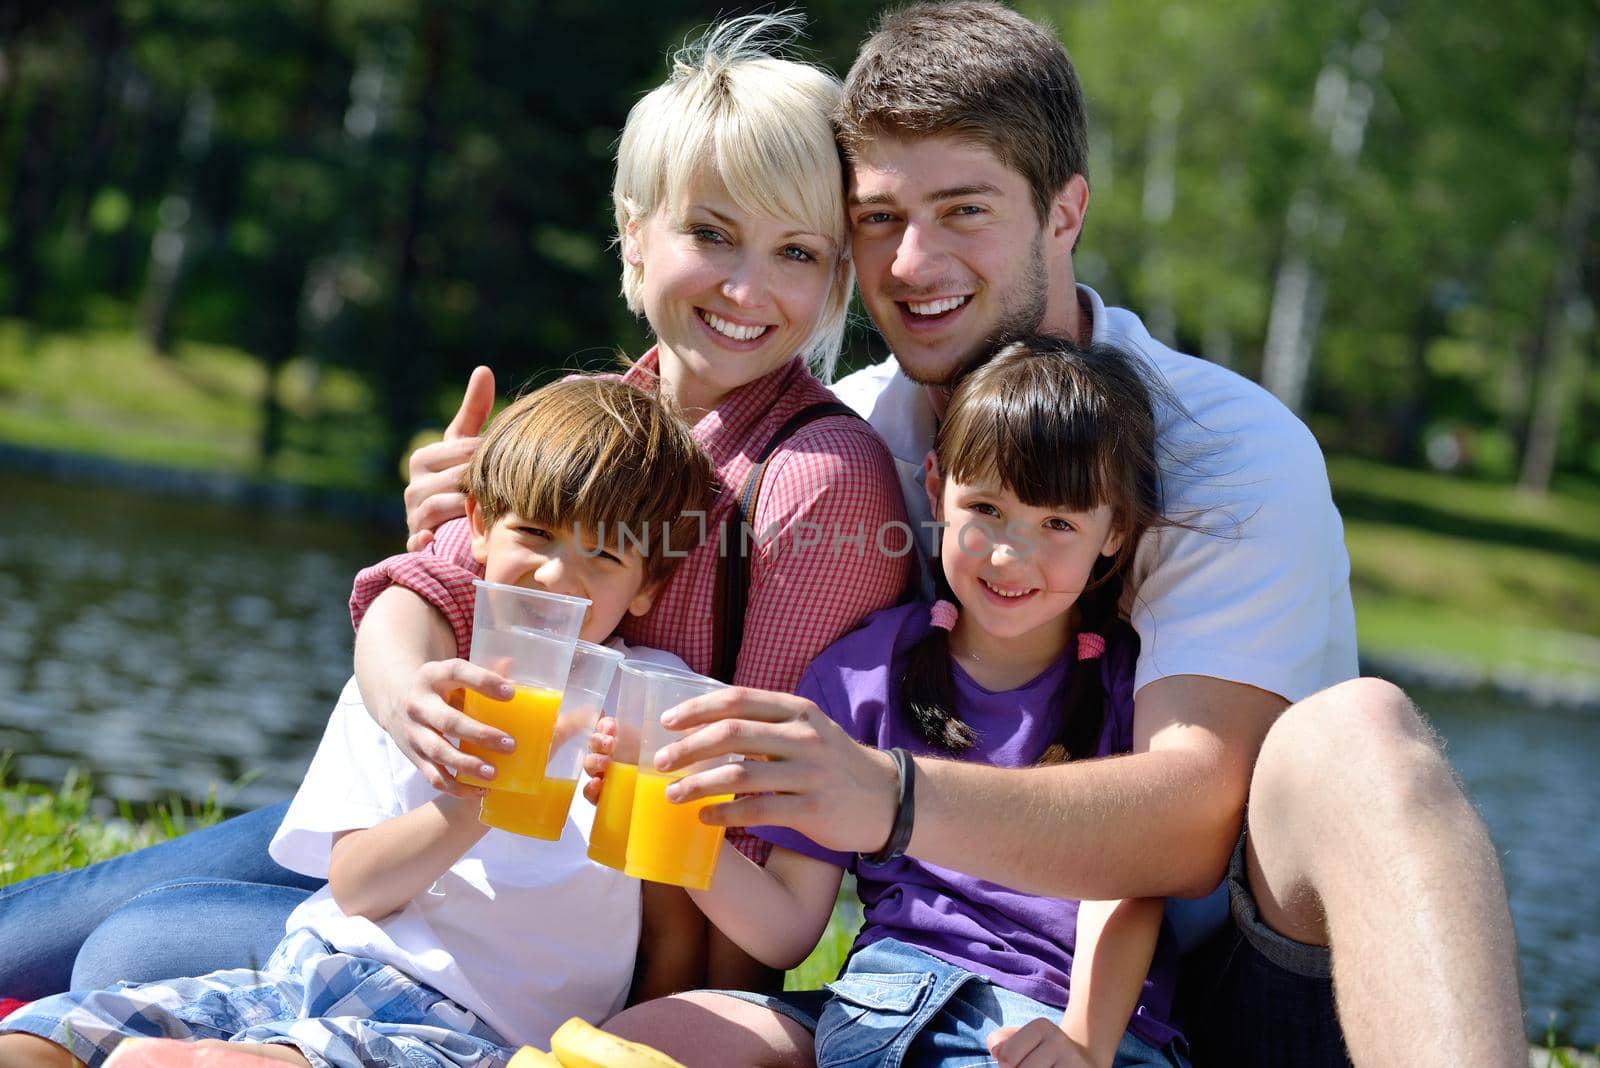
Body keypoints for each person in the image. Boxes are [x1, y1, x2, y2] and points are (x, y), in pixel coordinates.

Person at [596, 4, 1524, 1067]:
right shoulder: (850, 441)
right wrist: (485, 520)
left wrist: (890, 797)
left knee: (1360, 736)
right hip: (919, 985)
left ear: (1064, 211)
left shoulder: (1228, 445)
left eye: (963, 210)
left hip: (1218, 994)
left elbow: (1187, 822)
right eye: (881, 217)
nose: (912, 262)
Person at [0, 13, 911, 1001]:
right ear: (635, 229)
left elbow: (761, 825)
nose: (748, 286)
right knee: (39, 932)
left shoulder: (819, 478)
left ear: (834, 279)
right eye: (711, 233)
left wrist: (667, 1034)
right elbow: (425, 585)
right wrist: (410, 697)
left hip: (556, 936)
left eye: (797, 253)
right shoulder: (596, 414)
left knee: (132, 950)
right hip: (440, 830)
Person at [0, 375, 714, 1067]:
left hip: (474, 1033)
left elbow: (672, 933)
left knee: (266, 1057)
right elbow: (358, 888)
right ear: (479, 530)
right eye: (535, 533)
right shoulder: (415, 680)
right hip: (311, 971)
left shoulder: (649, 710)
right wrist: (474, 806)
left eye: (605, 553)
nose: (558, 576)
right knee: (44, 1036)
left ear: (648, 585)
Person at [601, 338, 1190, 1068]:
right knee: (652, 1036)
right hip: (881, 1008)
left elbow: (1129, 885)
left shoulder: (1132, 687)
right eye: (987, 508)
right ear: (937, 489)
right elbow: (788, 929)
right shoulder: (863, 672)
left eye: (1059, 525)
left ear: (1118, 532)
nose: (1011, 554)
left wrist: (1086, 1043)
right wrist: (668, 810)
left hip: (1055, 1022)